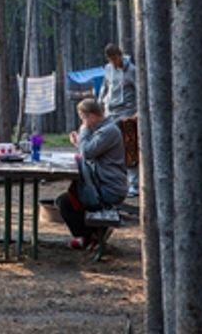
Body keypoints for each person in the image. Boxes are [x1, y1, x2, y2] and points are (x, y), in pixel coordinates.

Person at [56, 98, 127, 250]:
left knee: (65, 202)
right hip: (99, 183)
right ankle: (90, 235)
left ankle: (86, 236)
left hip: (108, 188)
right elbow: (88, 150)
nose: (82, 121)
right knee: (68, 198)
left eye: (82, 117)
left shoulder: (109, 131)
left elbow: (87, 152)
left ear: (92, 116)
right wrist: (80, 142)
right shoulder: (102, 129)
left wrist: (83, 131)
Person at [97, 43, 139, 196]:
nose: (113, 62)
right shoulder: (108, 69)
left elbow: (139, 91)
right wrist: (100, 103)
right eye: (110, 60)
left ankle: (134, 184)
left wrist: (138, 113)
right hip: (110, 112)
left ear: (120, 55)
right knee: (110, 147)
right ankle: (112, 181)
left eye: (115, 58)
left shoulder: (132, 70)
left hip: (127, 112)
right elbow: (104, 87)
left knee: (129, 148)